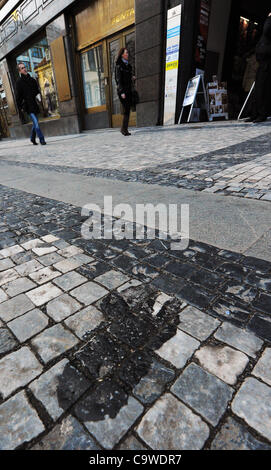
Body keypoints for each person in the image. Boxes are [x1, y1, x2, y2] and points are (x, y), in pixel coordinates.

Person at [245, 13, 271, 123]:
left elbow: (267, 30)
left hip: (267, 61)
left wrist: (269, 18)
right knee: (258, 88)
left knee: (262, 88)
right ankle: (255, 113)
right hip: (263, 60)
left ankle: (261, 113)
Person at [16, 62, 46, 145]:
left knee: (35, 122)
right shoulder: (19, 82)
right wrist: (20, 107)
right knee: (36, 123)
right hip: (28, 106)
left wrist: (38, 96)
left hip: (34, 104)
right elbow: (18, 97)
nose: (24, 69)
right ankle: (42, 139)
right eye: (22, 68)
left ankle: (32, 138)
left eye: (24, 67)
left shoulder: (32, 80)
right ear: (19, 71)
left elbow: (36, 91)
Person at [115, 48, 133, 136]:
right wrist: (121, 92)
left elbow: (127, 78)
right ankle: (124, 129)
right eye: (126, 53)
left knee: (127, 110)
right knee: (126, 110)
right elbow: (118, 79)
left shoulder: (128, 66)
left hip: (128, 90)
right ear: (122, 54)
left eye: (128, 53)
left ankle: (124, 128)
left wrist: (132, 78)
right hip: (122, 91)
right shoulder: (119, 65)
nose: (128, 54)